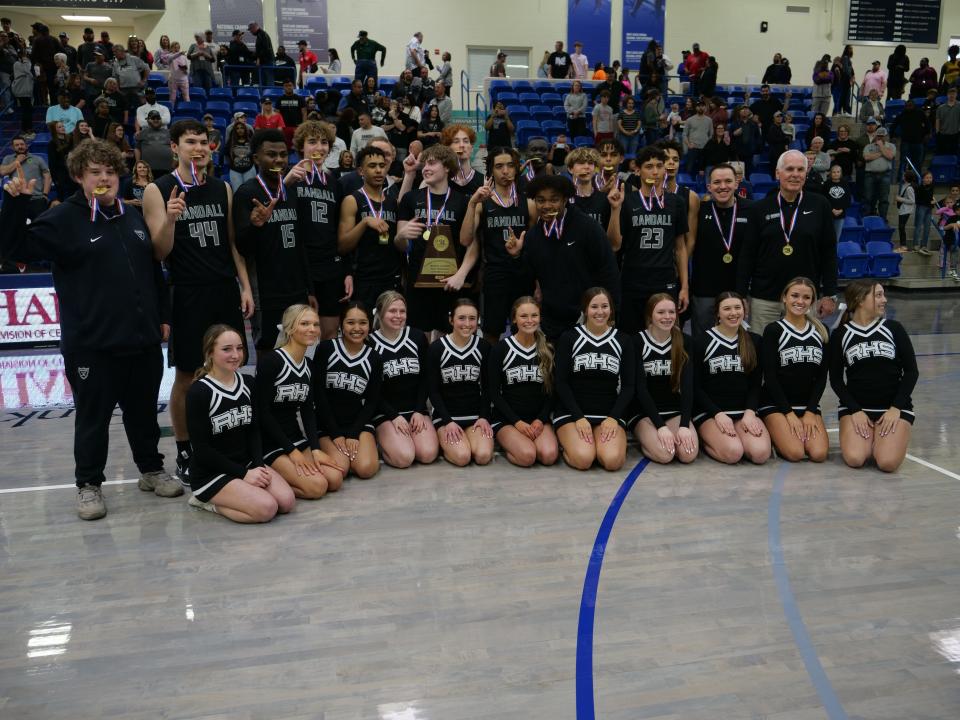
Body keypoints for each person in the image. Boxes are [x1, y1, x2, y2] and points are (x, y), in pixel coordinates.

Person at [0, 139, 180, 519]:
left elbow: (152, 271)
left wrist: (162, 316)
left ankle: (150, 470)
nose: (104, 178)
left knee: (144, 412)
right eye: (95, 172)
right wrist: (15, 204)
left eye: (110, 171)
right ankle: (88, 485)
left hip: (143, 340)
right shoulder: (64, 218)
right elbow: (15, 248)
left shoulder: (130, 216)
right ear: (80, 176)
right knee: (92, 419)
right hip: (92, 345)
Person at [145, 119, 255, 485]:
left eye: (204, 142)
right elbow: (160, 252)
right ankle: (185, 449)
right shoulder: (157, 190)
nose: (199, 148)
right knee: (189, 375)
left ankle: (229, 441)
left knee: (230, 367)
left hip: (223, 288)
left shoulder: (221, 188)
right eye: (191, 141)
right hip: (188, 291)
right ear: (174, 147)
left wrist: (245, 286)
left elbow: (232, 244)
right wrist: (171, 220)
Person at [185, 325, 295, 521]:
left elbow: (254, 430)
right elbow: (201, 450)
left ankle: (243, 492)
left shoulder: (248, 383)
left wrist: (259, 467)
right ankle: (205, 502)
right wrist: (244, 474)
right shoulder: (199, 392)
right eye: (226, 349)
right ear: (210, 352)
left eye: (239, 348)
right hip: (211, 472)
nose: (235, 355)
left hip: (246, 463)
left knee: (286, 502)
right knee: (267, 509)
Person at [504, 175, 619, 340]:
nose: (546, 206)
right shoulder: (533, 236)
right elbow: (526, 281)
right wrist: (516, 257)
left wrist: (612, 314)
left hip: (587, 317)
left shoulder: (588, 228)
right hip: (551, 320)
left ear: (565, 200)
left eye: (554, 200)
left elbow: (608, 271)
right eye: (540, 200)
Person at [737, 150, 838, 335]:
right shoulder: (759, 208)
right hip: (765, 299)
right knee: (763, 353)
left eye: (800, 169)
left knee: (802, 354)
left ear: (806, 174)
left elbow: (829, 252)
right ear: (777, 173)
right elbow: (747, 255)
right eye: (789, 169)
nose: (795, 174)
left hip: (805, 299)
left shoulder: (820, 205)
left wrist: (830, 293)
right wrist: (741, 294)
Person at [233, 129, 312, 350]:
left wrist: (310, 289)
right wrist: (255, 226)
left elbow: (300, 243)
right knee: (268, 356)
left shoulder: (293, 191)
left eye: (283, 154)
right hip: (266, 292)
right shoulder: (247, 193)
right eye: (271, 154)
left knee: (299, 351)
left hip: (296, 289)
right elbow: (241, 247)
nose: (278, 159)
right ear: (256, 158)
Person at [257, 304, 344, 498]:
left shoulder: (309, 366)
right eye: (304, 324)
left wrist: (314, 448)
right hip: (270, 441)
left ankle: (289, 478)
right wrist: (291, 451)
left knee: (335, 479)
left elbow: (307, 410)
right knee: (317, 487)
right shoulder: (271, 362)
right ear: (289, 328)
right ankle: (276, 485)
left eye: (315, 324)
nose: (312, 329)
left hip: (294, 436)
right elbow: (261, 412)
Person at [830, 280, 917, 472]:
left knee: (887, 463)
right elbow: (836, 380)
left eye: (883, 295)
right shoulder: (841, 334)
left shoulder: (894, 328)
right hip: (857, 408)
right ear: (860, 300)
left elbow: (911, 372)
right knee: (855, 458)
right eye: (878, 295)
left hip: (893, 407)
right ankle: (872, 436)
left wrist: (896, 408)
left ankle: (886, 437)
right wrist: (855, 410)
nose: (884, 300)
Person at [606, 145, 689, 333]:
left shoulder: (676, 202)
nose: (655, 171)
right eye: (649, 166)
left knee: (664, 334)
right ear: (638, 170)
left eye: (659, 166)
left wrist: (684, 287)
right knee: (631, 335)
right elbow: (614, 244)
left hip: (665, 278)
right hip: (633, 278)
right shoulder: (626, 200)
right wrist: (615, 209)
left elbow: (680, 247)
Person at [279, 121, 350, 340]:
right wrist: (286, 184)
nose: (319, 148)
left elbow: (341, 229)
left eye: (324, 142)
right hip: (299, 263)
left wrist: (347, 270)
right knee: (299, 333)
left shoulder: (334, 183)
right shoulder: (290, 178)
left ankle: (324, 375)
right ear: (301, 146)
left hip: (329, 264)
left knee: (329, 330)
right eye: (312, 142)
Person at [397, 144, 477, 334]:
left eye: (432, 163)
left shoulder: (463, 201)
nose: (425, 168)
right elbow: (400, 245)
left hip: (451, 281)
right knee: (419, 339)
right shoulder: (410, 198)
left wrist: (461, 274)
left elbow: (472, 243)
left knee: (447, 339)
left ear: (447, 167)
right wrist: (401, 235)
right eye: (424, 164)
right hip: (418, 281)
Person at [553, 287, 633, 471]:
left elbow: (629, 386)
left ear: (611, 309)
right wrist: (578, 417)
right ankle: (571, 444)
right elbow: (561, 383)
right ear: (585, 310)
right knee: (584, 459)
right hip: (573, 413)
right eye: (594, 306)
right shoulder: (570, 337)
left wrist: (613, 417)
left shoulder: (623, 340)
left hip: (608, 413)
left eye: (604, 306)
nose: (600, 312)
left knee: (612, 461)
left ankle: (597, 445)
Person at [465, 147, 536, 343]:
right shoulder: (482, 202)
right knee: (491, 332)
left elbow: (537, 245)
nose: (505, 171)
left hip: (523, 272)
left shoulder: (528, 203)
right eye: (499, 166)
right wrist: (471, 204)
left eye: (510, 165)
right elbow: (465, 239)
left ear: (516, 169)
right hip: (495, 273)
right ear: (491, 171)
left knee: (525, 329)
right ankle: (491, 372)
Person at [693, 292, 770, 464]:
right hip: (711, 412)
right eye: (727, 308)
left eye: (737, 308)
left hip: (743, 411)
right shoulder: (701, 341)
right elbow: (695, 387)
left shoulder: (754, 341)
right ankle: (706, 440)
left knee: (760, 454)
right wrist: (717, 414)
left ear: (745, 310)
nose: (733, 313)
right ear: (717, 313)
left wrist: (750, 413)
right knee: (733, 453)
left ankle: (736, 437)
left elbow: (756, 385)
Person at [759, 278, 829, 463]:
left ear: (812, 301)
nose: (800, 301)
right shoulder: (774, 330)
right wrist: (788, 414)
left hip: (806, 405)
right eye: (795, 296)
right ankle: (773, 431)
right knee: (796, 453)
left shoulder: (821, 331)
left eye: (806, 297)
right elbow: (770, 377)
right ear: (784, 298)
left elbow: (822, 377)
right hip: (776, 404)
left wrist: (810, 411)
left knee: (819, 454)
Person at [488, 297, 558, 467]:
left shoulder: (547, 349)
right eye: (523, 316)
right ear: (514, 319)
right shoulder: (501, 349)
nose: (529, 320)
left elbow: (552, 392)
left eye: (534, 315)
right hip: (508, 419)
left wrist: (541, 420)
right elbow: (494, 393)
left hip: (537, 419)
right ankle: (512, 445)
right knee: (528, 457)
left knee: (548, 456)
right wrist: (517, 422)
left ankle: (525, 443)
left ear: (540, 317)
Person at [370, 291, 438, 467]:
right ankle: (383, 439)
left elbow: (425, 378)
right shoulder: (370, 343)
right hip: (386, 413)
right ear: (380, 313)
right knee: (404, 458)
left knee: (428, 454)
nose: (398, 316)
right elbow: (371, 390)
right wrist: (393, 416)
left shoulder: (416, 337)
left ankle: (405, 438)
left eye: (402, 311)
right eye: (392, 311)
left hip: (414, 409)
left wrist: (419, 410)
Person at [629, 294, 698, 463]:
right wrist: (660, 427)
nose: (667, 317)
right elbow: (640, 389)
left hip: (673, 409)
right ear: (650, 315)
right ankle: (646, 440)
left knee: (688, 454)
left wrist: (683, 425)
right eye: (661, 312)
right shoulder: (637, 341)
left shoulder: (684, 341)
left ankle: (664, 435)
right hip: (643, 412)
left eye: (671, 312)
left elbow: (688, 387)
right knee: (666, 455)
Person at [688, 164, 754, 335]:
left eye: (728, 181)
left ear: (737, 183)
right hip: (704, 291)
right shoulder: (699, 211)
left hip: (738, 290)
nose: (723, 186)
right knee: (703, 342)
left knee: (738, 341)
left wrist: (744, 291)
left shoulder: (752, 210)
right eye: (717, 182)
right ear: (709, 187)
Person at [428, 299, 493, 466]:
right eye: (461, 318)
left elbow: (487, 388)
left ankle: (466, 440)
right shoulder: (436, 348)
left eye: (472, 318)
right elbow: (433, 391)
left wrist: (484, 416)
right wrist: (447, 421)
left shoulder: (484, 347)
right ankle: (445, 441)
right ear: (451, 319)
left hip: (474, 417)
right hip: (447, 418)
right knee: (463, 457)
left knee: (483, 456)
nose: (467, 323)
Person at [337, 144, 403, 309]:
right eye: (372, 166)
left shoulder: (393, 202)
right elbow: (342, 246)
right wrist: (365, 222)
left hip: (390, 278)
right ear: (360, 171)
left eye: (382, 165)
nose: (379, 170)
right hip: (363, 279)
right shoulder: (352, 200)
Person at [0, 135, 52, 218]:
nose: (20, 147)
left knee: (39, 227)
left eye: (22, 144)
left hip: (36, 199)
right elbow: (2, 172)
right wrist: (17, 161)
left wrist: (45, 195)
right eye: (17, 145)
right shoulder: (8, 158)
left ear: (26, 145)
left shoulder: (37, 159)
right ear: (13, 147)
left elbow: (47, 176)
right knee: (16, 228)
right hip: (16, 199)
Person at [566, 147, 609, 229]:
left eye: (590, 163)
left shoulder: (605, 199)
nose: (586, 167)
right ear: (570, 169)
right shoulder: (564, 199)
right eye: (581, 163)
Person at [861, 126, 896, 219]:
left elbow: (890, 156)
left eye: (882, 136)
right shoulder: (868, 146)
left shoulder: (891, 146)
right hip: (870, 175)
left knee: (884, 199)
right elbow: (867, 158)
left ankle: (882, 220)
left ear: (886, 136)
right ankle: (867, 219)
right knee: (868, 198)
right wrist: (882, 153)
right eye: (878, 136)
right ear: (875, 136)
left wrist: (881, 146)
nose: (880, 138)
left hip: (885, 175)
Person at [224, 120, 255, 190]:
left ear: (245, 129)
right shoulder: (231, 142)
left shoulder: (251, 141)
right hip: (235, 171)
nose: (240, 130)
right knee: (237, 192)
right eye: (237, 128)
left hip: (249, 169)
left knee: (250, 191)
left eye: (242, 128)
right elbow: (225, 153)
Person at [895, 170, 917, 252]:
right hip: (903, 210)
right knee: (901, 227)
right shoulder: (905, 185)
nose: (903, 177)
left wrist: (900, 199)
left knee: (901, 227)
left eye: (904, 175)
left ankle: (903, 246)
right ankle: (902, 245)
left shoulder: (909, 188)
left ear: (906, 177)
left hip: (906, 210)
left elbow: (912, 201)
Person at [935, 86, 960, 156]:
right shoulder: (940, 108)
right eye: (950, 94)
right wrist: (937, 132)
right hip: (943, 134)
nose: (952, 95)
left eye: (953, 94)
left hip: (955, 134)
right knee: (943, 153)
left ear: (956, 95)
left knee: (953, 154)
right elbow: (937, 120)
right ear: (947, 95)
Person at [914, 171, 935, 256]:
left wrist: (932, 202)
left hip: (929, 208)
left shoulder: (932, 187)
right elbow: (919, 200)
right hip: (921, 207)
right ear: (922, 179)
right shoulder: (919, 188)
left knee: (927, 227)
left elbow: (929, 198)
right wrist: (930, 202)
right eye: (927, 177)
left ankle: (924, 245)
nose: (929, 179)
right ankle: (916, 245)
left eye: (930, 178)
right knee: (919, 226)